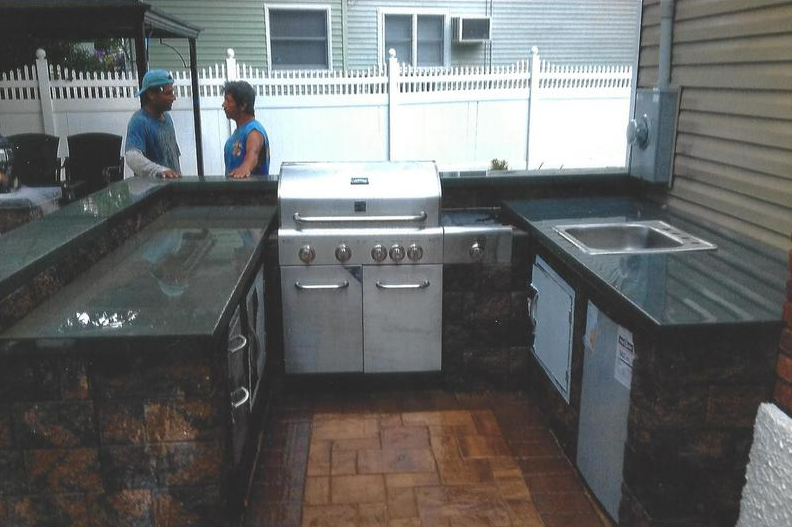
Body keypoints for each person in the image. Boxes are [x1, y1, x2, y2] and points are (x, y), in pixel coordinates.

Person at [125, 69, 181, 179]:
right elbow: (132, 157)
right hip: (152, 193)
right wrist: (160, 171)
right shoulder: (139, 121)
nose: (173, 97)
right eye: (168, 93)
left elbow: (173, 157)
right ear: (151, 94)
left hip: (171, 189)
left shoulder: (167, 119)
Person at [222, 81, 270, 178]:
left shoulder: (254, 131)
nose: (223, 105)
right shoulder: (237, 133)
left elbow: (253, 154)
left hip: (251, 192)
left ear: (243, 105)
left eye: (228, 101)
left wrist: (245, 167)